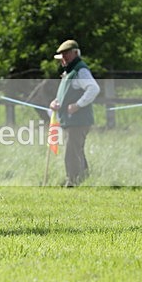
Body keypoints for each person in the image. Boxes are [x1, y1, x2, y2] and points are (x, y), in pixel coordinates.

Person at [49, 39, 100, 187]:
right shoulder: (71, 72)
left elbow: (93, 88)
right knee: (77, 150)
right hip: (72, 120)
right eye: (62, 55)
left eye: (66, 54)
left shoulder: (80, 70)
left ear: (75, 53)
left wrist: (78, 105)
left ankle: (72, 182)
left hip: (78, 120)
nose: (63, 58)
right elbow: (66, 95)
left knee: (71, 153)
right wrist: (55, 102)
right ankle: (83, 179)